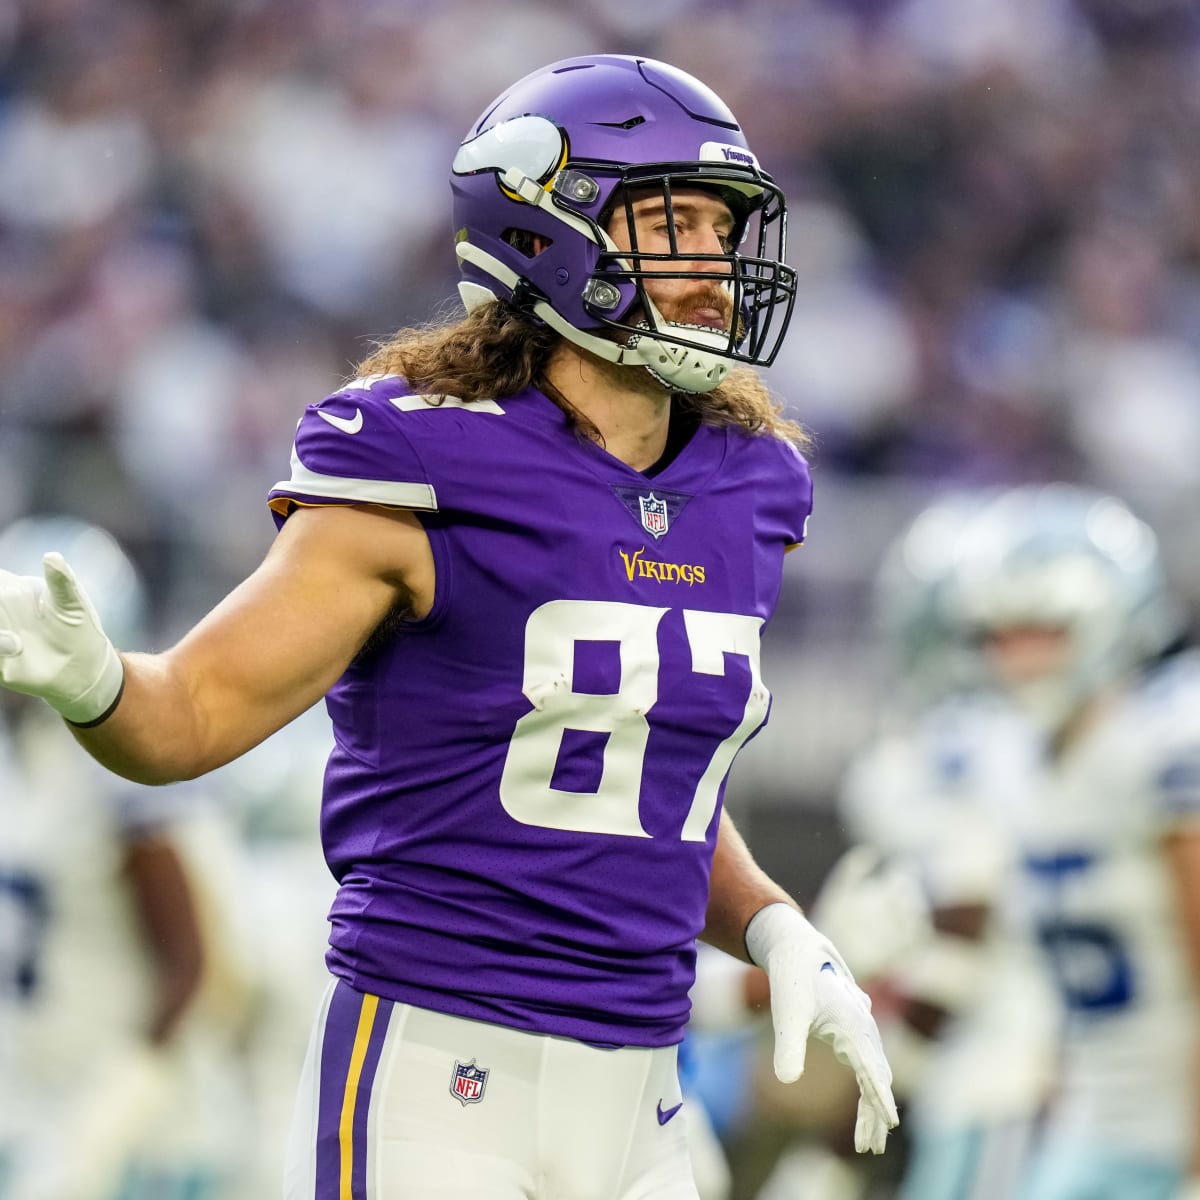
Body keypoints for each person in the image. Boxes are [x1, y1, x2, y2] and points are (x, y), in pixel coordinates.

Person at [0, 54, 897, 1199]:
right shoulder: (424, 455)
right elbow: (192, 717)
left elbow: (640, 780)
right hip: (437, 1071)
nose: (711, 268)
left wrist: (775, 928)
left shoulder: (751, 482)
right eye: (672, 221)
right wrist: (96, 685)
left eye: (724, 232)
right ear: (541, 231)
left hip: (645, 1099)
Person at [945, 483, 1200, 1200]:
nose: (1019, 656)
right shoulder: (1014, 759)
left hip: (1172, 1135)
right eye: (1001, 635)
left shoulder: (1165, 738)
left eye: (1043, 630)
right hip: (1088, 1132)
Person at [0, 516, 255, 1200]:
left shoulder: (117, 770)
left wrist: (114, 1109)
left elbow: (195, 963)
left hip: (140, 1135)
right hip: (35, 1096)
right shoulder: (26, 759)